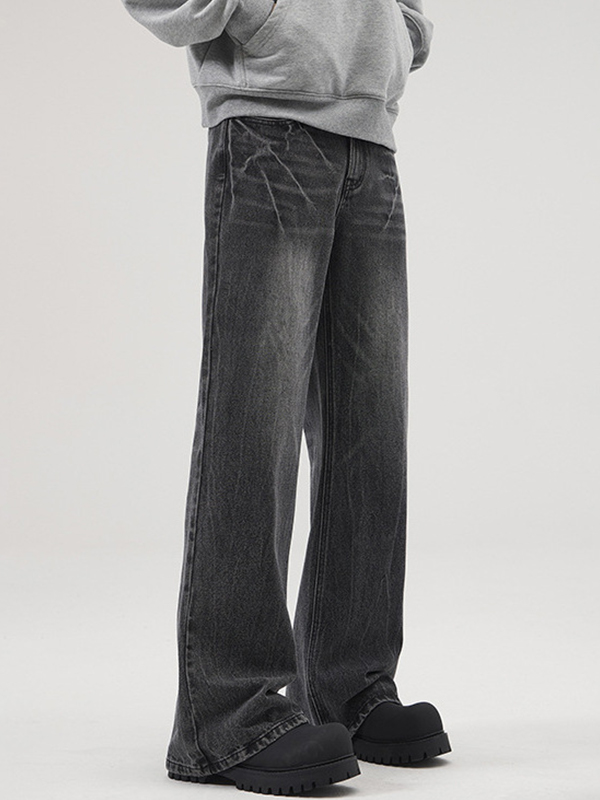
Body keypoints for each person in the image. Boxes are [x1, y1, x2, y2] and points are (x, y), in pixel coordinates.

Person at [120, 0, 450, 793]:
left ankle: (348, 682)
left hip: (370, 142)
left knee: (371, 429)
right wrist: (262, 16)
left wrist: (399, 29)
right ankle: (226, 714)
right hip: (268, 127)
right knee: (253, 423)